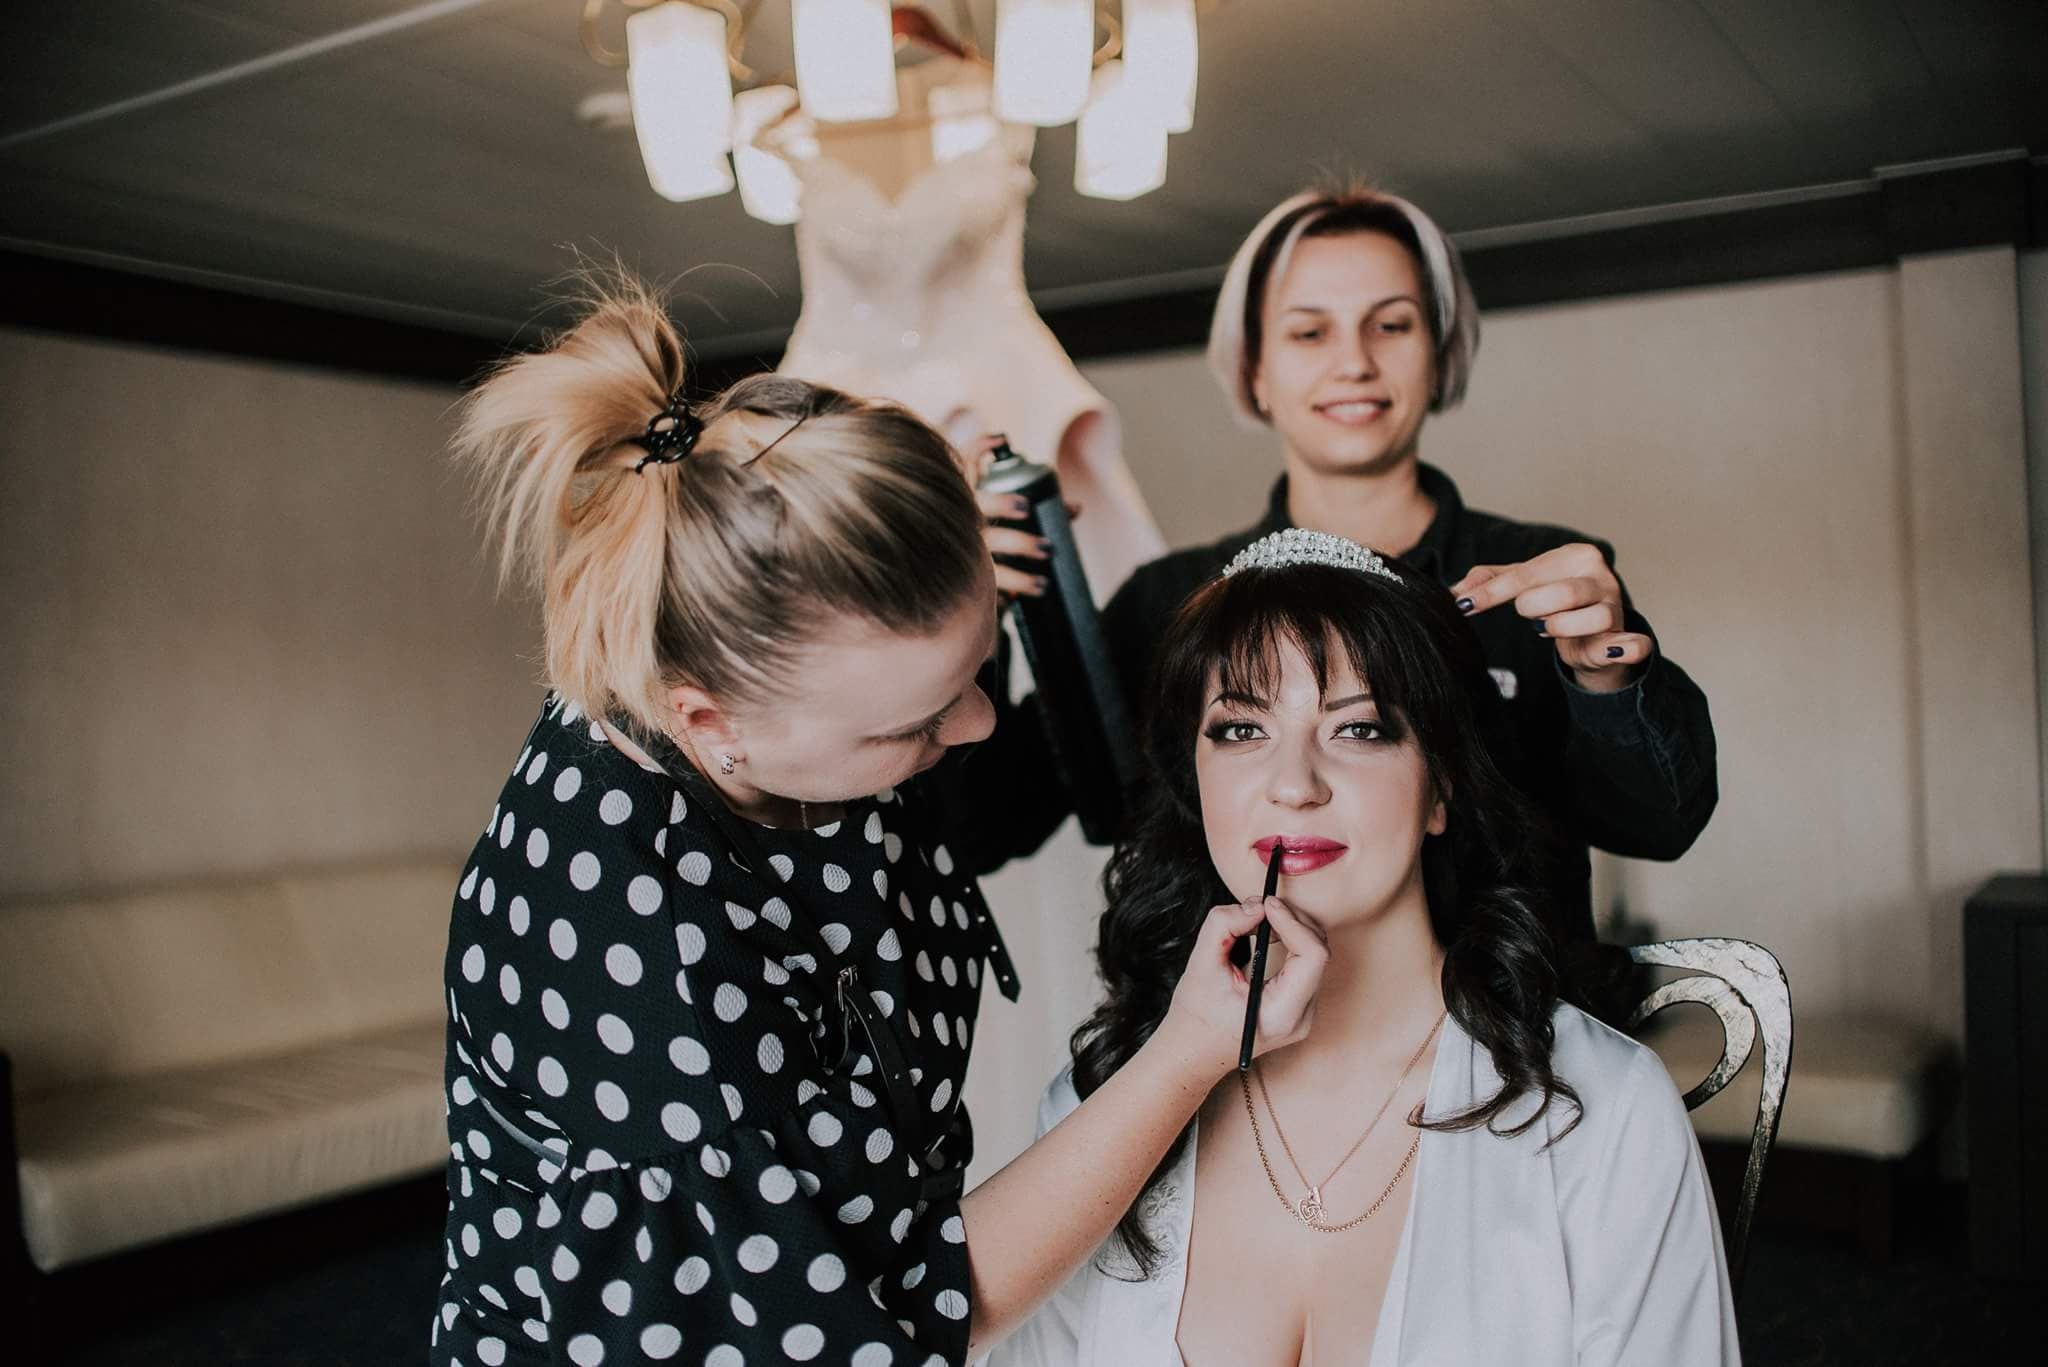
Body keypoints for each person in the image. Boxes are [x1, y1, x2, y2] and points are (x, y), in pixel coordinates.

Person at [431, 277, 1328, 1367]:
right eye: (918, 717)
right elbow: (898, 1306)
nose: (982, 720)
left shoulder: (757, 689)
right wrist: (1184, 1052)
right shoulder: (635, 943)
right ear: (712, 723)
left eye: (975, 660)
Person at [987, 531, 1738, 1367]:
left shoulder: (1601, 1111)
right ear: (1193, 785)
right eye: (1239, 729)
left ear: (1442, 787)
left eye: (1361, 729)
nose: (1294, 783)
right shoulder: (1096, 1106)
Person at [964, 185, 1718, 990]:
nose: (1353, 361)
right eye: (1309, 331)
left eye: (1391, 324)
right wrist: (962, 621)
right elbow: (980, 826)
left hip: (1513, 1053)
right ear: (1254, 369)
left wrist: (1606, 678)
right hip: (1237, 1073)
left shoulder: (1542, 578)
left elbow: (1661, 822)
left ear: (1440, 351)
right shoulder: (1167, 604)